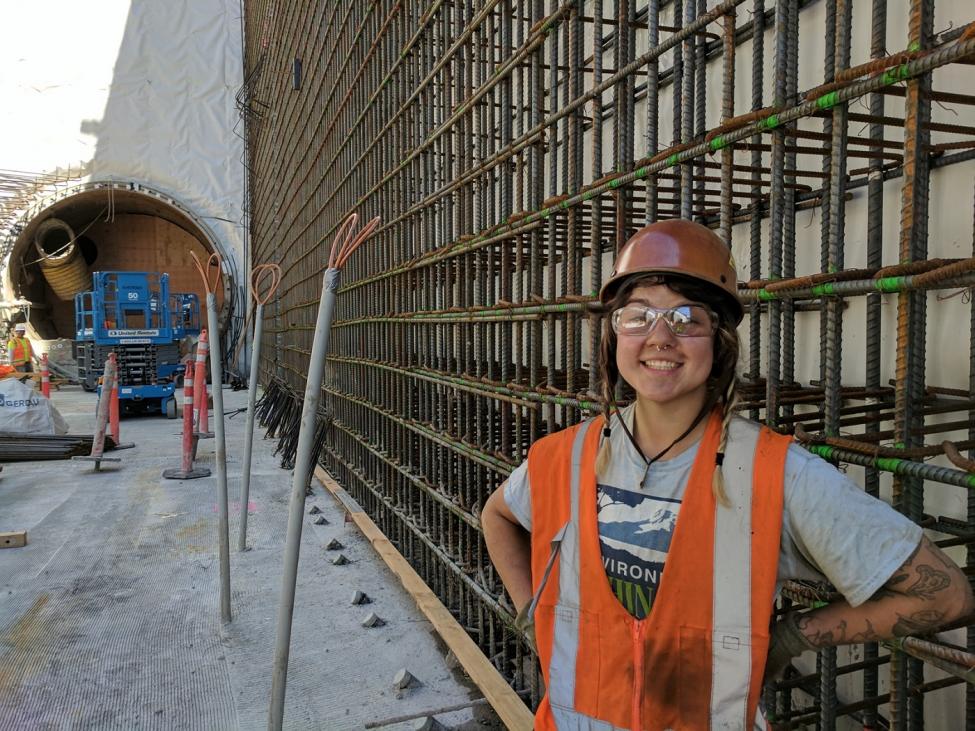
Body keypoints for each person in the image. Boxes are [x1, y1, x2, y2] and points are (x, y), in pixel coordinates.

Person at [482, 219, 973, 730]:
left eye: (686, 317)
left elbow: (945, 594)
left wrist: (792, 636)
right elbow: (498, 517)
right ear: (613, 332)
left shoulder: (774, 475)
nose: (660, 337)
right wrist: (535, 621)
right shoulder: (562, 457)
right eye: (638, 315)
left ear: (718, 339)